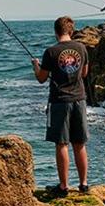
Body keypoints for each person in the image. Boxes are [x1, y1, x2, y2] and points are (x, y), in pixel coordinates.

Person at [32, 16, 90, 196]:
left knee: (62, 143)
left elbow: (42, 78)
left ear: (55, 32)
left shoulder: (51, 51)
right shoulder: (81, 48)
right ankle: (83, 184)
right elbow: (85, 73)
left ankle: (63, 186)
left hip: (59, 102)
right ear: (71, 31)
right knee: (79, 143)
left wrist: (36, 66)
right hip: (79, 99)